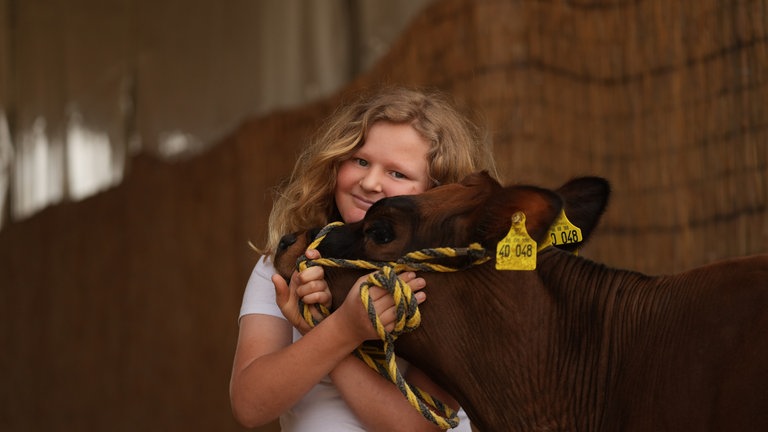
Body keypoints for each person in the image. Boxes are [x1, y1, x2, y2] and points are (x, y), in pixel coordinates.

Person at [230, 86, 499, 431]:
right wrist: (340, 329)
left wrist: (336, 328)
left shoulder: (457, 276)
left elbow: (417, 427)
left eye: (397, 173)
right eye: (360, 161)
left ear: (438, 193)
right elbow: (250, 406)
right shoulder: (289, 263)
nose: (370, 182)